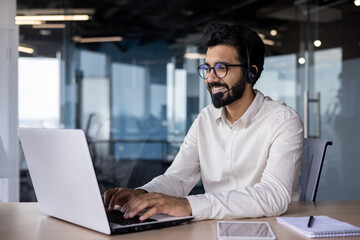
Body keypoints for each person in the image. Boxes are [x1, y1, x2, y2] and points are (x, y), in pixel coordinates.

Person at [103, 22, 304, 221]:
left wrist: (188, 205)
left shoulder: (283, 121)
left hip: (273, 229)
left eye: (221, 68)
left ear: (251, 72)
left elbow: (273, 196)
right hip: (214, 228)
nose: (210, 78)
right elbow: (178, 178)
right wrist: (142, 194)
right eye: (207, 68)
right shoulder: (205, 120)